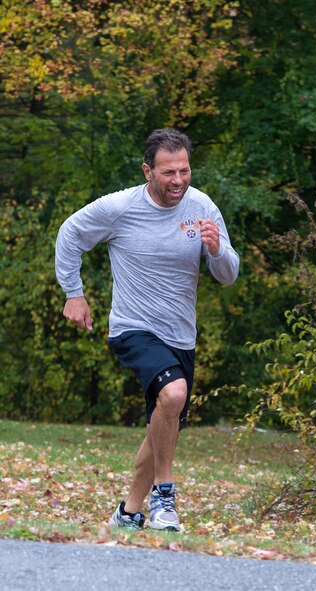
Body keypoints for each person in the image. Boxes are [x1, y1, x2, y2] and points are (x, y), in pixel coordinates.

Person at [55, 128, 240, 532]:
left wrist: (216, 249)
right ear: (148, 171)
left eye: (184, 171)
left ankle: (128, 513)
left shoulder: (202, 207)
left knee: (164, 419)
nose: (178, 181)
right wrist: (75, 293)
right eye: (168, 172)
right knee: (173, 394)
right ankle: (165, 495)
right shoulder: (119, 208)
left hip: (180, 336)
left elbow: (227, 275)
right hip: (133, 327)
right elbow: (70, 234)